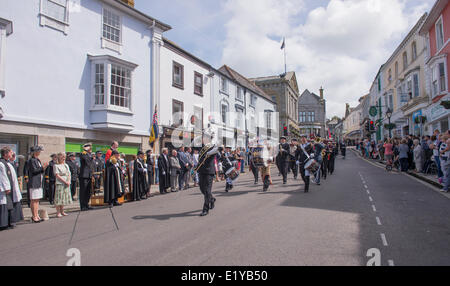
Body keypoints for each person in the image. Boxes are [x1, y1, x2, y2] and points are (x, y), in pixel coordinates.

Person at [0, 146, 24, 230]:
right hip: (5, 189)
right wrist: (6, 187)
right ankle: (3, 224)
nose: (12, 154)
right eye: (10, 152)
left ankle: (10, 221)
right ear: (6, 154)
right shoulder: (1, 163)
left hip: (11, 188)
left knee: (10, 205)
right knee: (5, 205)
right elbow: (2, 176)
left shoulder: (8, 163)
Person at [197, 131, 220, 217]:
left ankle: (205, 209)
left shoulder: (213, 147)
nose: (203, 139)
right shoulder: (201, 147)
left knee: (207, 190)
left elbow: (217, 151)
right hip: (201, 171)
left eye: (204, 138)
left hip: (209, 172)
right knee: (202, 189)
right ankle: (212, 199)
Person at [28, 146, 48, 223]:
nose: (39, 152)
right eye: (38, 151)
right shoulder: (31, 160)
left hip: (38, 181)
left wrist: (43, 168)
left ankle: (37, 215)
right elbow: (34, 171)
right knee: (34, 199)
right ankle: (34, 216)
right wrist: (43, 167)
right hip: (34, 182)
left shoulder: (37, 160)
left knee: (37, 199)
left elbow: (40, 171)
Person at [53, 153, 72, 218]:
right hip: (60, 183)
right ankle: (58, 212)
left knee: (64, 198)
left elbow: (69, 173)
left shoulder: (66, 165)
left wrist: (69, 181)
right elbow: (57, 175)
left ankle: (62, 211)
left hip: (67, 182)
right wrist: (65, 181)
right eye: (62, 157)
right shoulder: (56, 166)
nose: (63, 159)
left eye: (64, 157)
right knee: (59, 198)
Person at [79, 143, 95, 211]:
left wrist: (92, 175)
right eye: (89, 148)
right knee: (83, 191)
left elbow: (91, 166)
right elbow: (86, 160)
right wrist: (85, 150)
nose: (90, 149)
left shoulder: (89, 155)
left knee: (88, 191)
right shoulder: (83, 154)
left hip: (89, 175)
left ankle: (87, 204)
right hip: (84, 176)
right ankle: (82, 206)